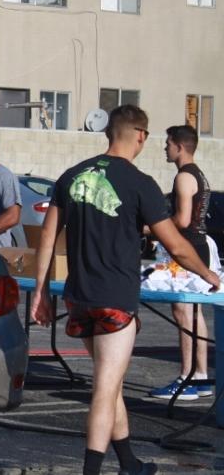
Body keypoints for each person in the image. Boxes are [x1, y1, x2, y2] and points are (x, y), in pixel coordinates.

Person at [31, 105, 219, 475]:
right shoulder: (140, 183)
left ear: (108, 133)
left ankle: (129, 462)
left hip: (79, 297)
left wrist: (40, 291)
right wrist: (208, 274)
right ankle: (92, 469)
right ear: (141, 135)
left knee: (110, 383)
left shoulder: (71, 176)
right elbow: (178, 246)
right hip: (115, 298)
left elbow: (48, 237)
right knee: (105, 387)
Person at [149, 125, 215, 401]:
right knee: (194, 311)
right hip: (199, 247)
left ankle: (187, 376)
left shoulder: (184, 177)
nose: (165, 147)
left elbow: (183, 220)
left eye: (168, 143)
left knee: (182, 309)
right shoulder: (198, 174)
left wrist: (151, 228)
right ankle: (199, 376)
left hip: (188, 249)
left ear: (179, 146)